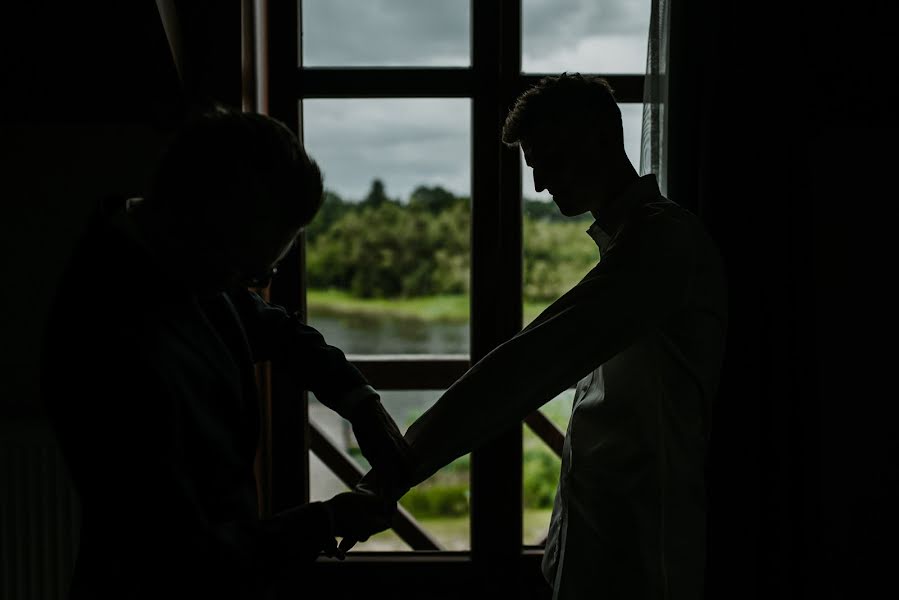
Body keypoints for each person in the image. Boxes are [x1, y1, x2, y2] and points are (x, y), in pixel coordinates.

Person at [349, 73, 728, 599]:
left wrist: (396, 469)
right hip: (601, 539)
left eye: (547, 159)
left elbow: (528, 365)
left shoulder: (663, 244)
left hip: (644, 553)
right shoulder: (635, 245)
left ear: (599, 137)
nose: (539, 185)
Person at [40, 106, 409, 599]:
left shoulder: (181, 260)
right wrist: (326, 520)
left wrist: (358, 400)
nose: (251, 289)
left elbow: (275, 330)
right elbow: (182, 557)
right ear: (200, 222)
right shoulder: (107, 341)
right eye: (250, 272)